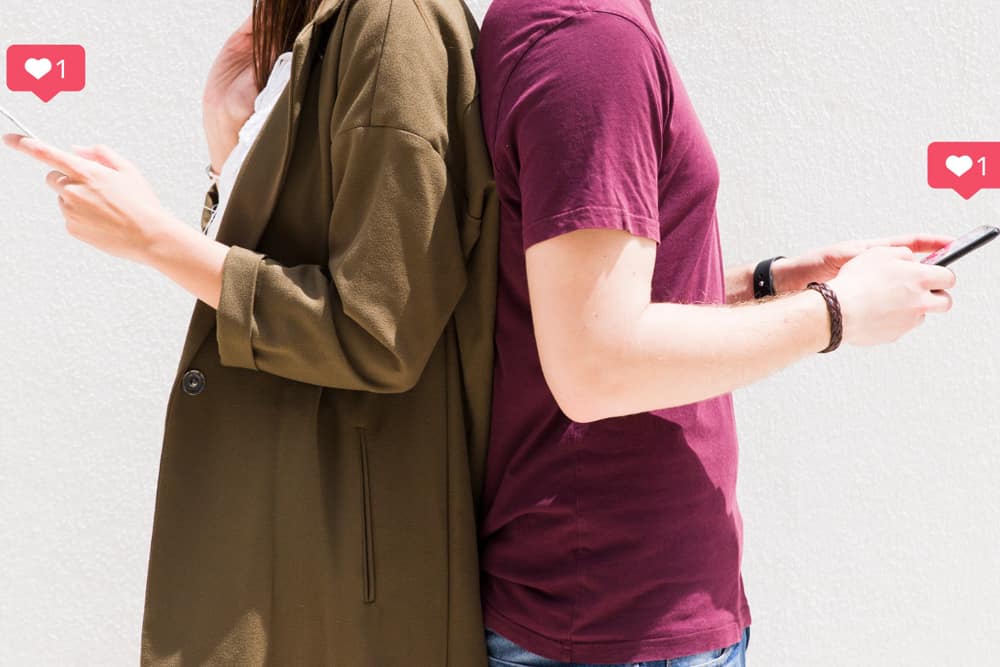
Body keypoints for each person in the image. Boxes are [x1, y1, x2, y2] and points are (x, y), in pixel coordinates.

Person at [3, 0, 498, 664]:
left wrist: (154, 239)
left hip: (344, 571)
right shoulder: (326, 30)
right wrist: (226, 145)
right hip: (298, 546)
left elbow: (378, 329)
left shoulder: (389, 22)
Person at [474, 1, 956, 665]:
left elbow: (587, 297)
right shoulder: (590, 39)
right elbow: (595, 361)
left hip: (624, 610)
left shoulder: (584, 25)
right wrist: (836, 312)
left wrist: (775, 280)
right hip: (617, 621)